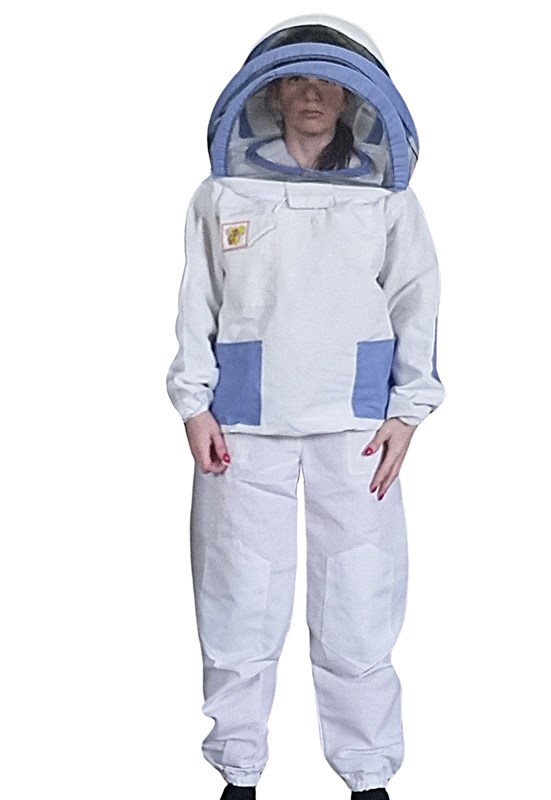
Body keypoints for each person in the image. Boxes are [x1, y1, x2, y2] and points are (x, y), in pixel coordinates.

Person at [166, 14, 445, 800]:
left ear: (353, 97)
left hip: (357, 428)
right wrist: (193, 404)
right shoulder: (223, 194)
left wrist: (407, 413)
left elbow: (417, 304)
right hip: (241, 425)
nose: (312, 94)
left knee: (359, 603)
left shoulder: (388, 202)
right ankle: (239, 772)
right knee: (236, 598)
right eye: (296, 80)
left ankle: (367, 775)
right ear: (272, 93)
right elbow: (196, 304)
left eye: (327, 82)